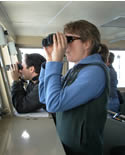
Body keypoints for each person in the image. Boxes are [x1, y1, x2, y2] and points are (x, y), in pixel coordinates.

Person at [39, 20, 110, 155]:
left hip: (83, 151)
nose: (65, 47)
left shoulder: (95, 72)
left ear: (87, 43)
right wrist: (49, 61)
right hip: (67, 146)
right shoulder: (76, 70)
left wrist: (56, 62)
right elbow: (45, 97)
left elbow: (53, 104)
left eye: (69, 40)